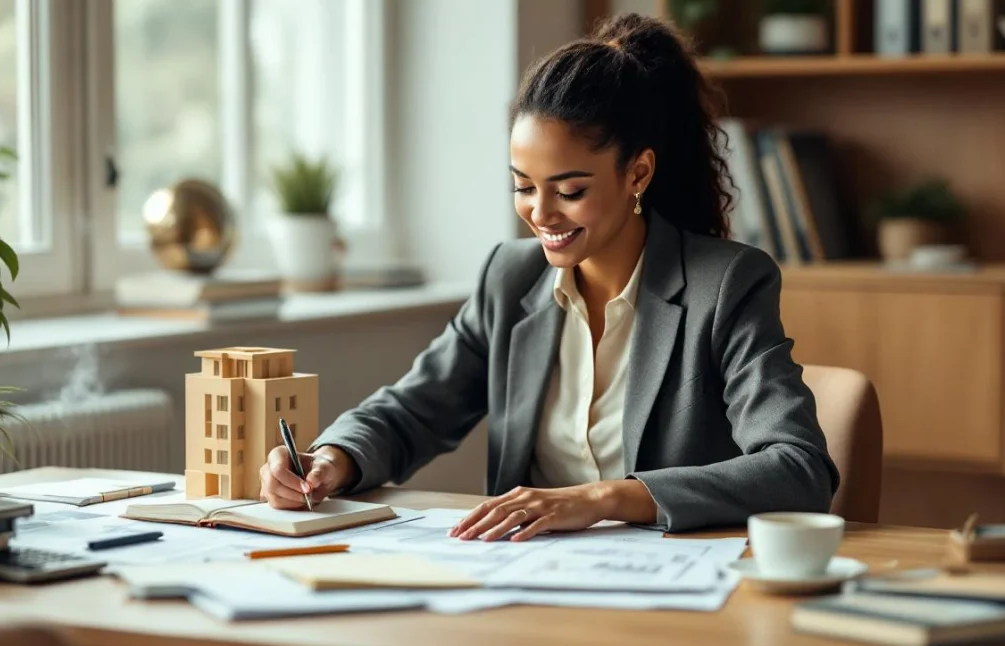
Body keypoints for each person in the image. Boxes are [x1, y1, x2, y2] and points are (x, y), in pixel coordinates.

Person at [258, 13, 839, 539]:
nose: (541, 213)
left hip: (668, 588)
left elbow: (798, 467)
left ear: (638, 173)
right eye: (523, 186)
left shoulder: (727, 284)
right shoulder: (510, 279)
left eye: (570, 191)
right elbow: (412, 410)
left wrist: (604, 498)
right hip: (525, 577)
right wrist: (334, 456)